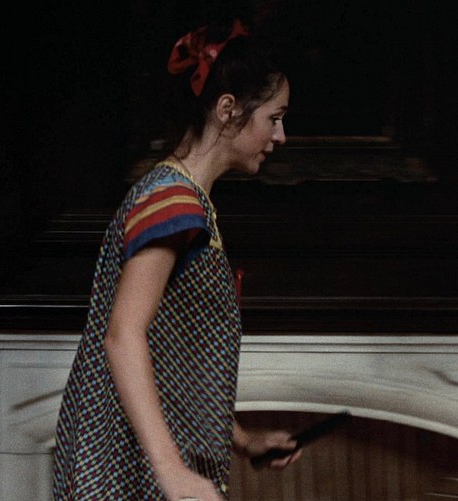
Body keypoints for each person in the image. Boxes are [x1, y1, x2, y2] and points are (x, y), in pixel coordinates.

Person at [52, 20, 297, 500]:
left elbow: (173, 358)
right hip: (122, 468)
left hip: (144, 463)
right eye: (274, 118)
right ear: (228, 109)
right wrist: (172, 471)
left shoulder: (184, 200)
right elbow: (123, 336)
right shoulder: (172, 201)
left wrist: (244, 441)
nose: (281, 135)